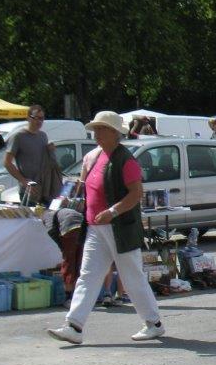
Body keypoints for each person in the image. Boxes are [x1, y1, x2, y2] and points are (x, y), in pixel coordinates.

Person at [46, 112, 164, 345]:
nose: (96, 133)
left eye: (101, 129)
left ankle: (154, 323)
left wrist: (112, 211)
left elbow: (136, 194)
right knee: (88, 275)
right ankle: (74, 326)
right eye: (95, 129)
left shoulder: (126, 160)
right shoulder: (94, 156)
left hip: (120, 228)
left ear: (114, 133)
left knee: (132, 276)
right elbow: (87, 188)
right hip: (96, 227)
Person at [5, 104, 58, 203]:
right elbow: (7, 163)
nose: (39, 121)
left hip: (44, 189)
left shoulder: (43, 136)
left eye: (41, 118)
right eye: (36, 118)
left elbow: (47, 162)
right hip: (28, 190)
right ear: (28, 118)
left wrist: (51, 150)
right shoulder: (18, 136)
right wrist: (23, 181)